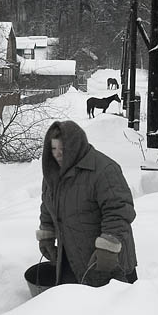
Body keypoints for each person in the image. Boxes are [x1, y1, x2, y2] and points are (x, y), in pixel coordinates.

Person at [35, 120, 138, 287]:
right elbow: (48, 205)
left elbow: (119, 211)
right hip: (71, 258)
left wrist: (108, 247)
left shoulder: (104, 169)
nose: (58, 154)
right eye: (53, 149)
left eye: (63, 149)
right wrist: (47, 235)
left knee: (116, 310)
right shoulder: (53, 172)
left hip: (107, 260)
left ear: (75, 147)